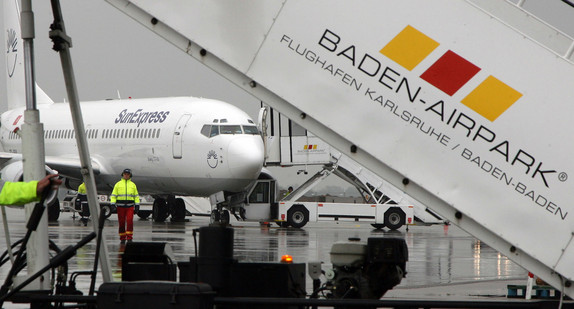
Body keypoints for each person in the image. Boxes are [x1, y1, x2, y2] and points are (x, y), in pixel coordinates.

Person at [110, 169, 140, 243]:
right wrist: (112, 204)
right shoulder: (118, 184)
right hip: (120, 206)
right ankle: (122, 237)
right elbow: (113, 195)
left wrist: (137, 205)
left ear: (130, 175)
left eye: (127, 174)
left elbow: (136, 196)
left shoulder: (133, 185)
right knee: (122, 222)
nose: (126, 175)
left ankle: (129, 237)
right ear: (122, 175)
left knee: (130, 221)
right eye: (125, 174)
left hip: (130, 206)